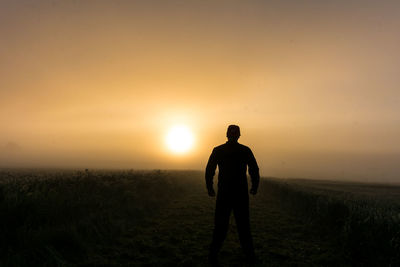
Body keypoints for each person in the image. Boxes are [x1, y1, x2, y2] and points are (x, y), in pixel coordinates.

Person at [205, 124, 260, 265]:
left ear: (227, 135)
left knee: (220, 226)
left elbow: (209, 170)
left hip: (224, 193)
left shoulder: (218, 150)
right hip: (240, 193)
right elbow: (254, 169)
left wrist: (210, 188)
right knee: (243, 227)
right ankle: (250, 257)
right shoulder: (245, 150)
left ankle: (212, 255)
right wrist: (254, 186)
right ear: (239, 135)